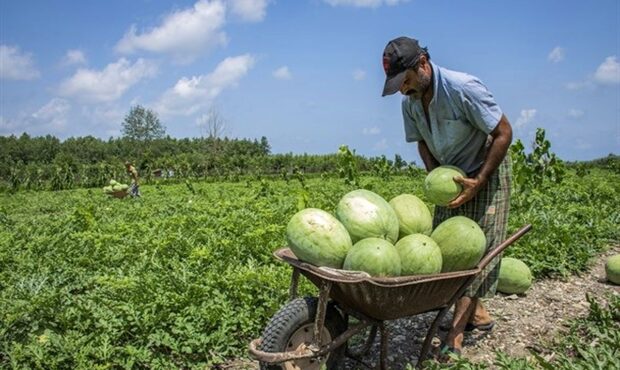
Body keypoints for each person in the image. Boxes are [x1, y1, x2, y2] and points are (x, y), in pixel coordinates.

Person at [381, 36, 513, 358]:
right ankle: (477, 316)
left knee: (470, 253)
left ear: (423, 63)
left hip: (486, 170)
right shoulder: (409, 102)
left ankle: (454, 341)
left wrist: (479, 180)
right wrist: (434, 173)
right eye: (398, 84)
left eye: (406, 80)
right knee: (447, 250)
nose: (403, 89)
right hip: (451, 175)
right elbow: (421, 142)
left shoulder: (463, 88)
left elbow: (503, 133)